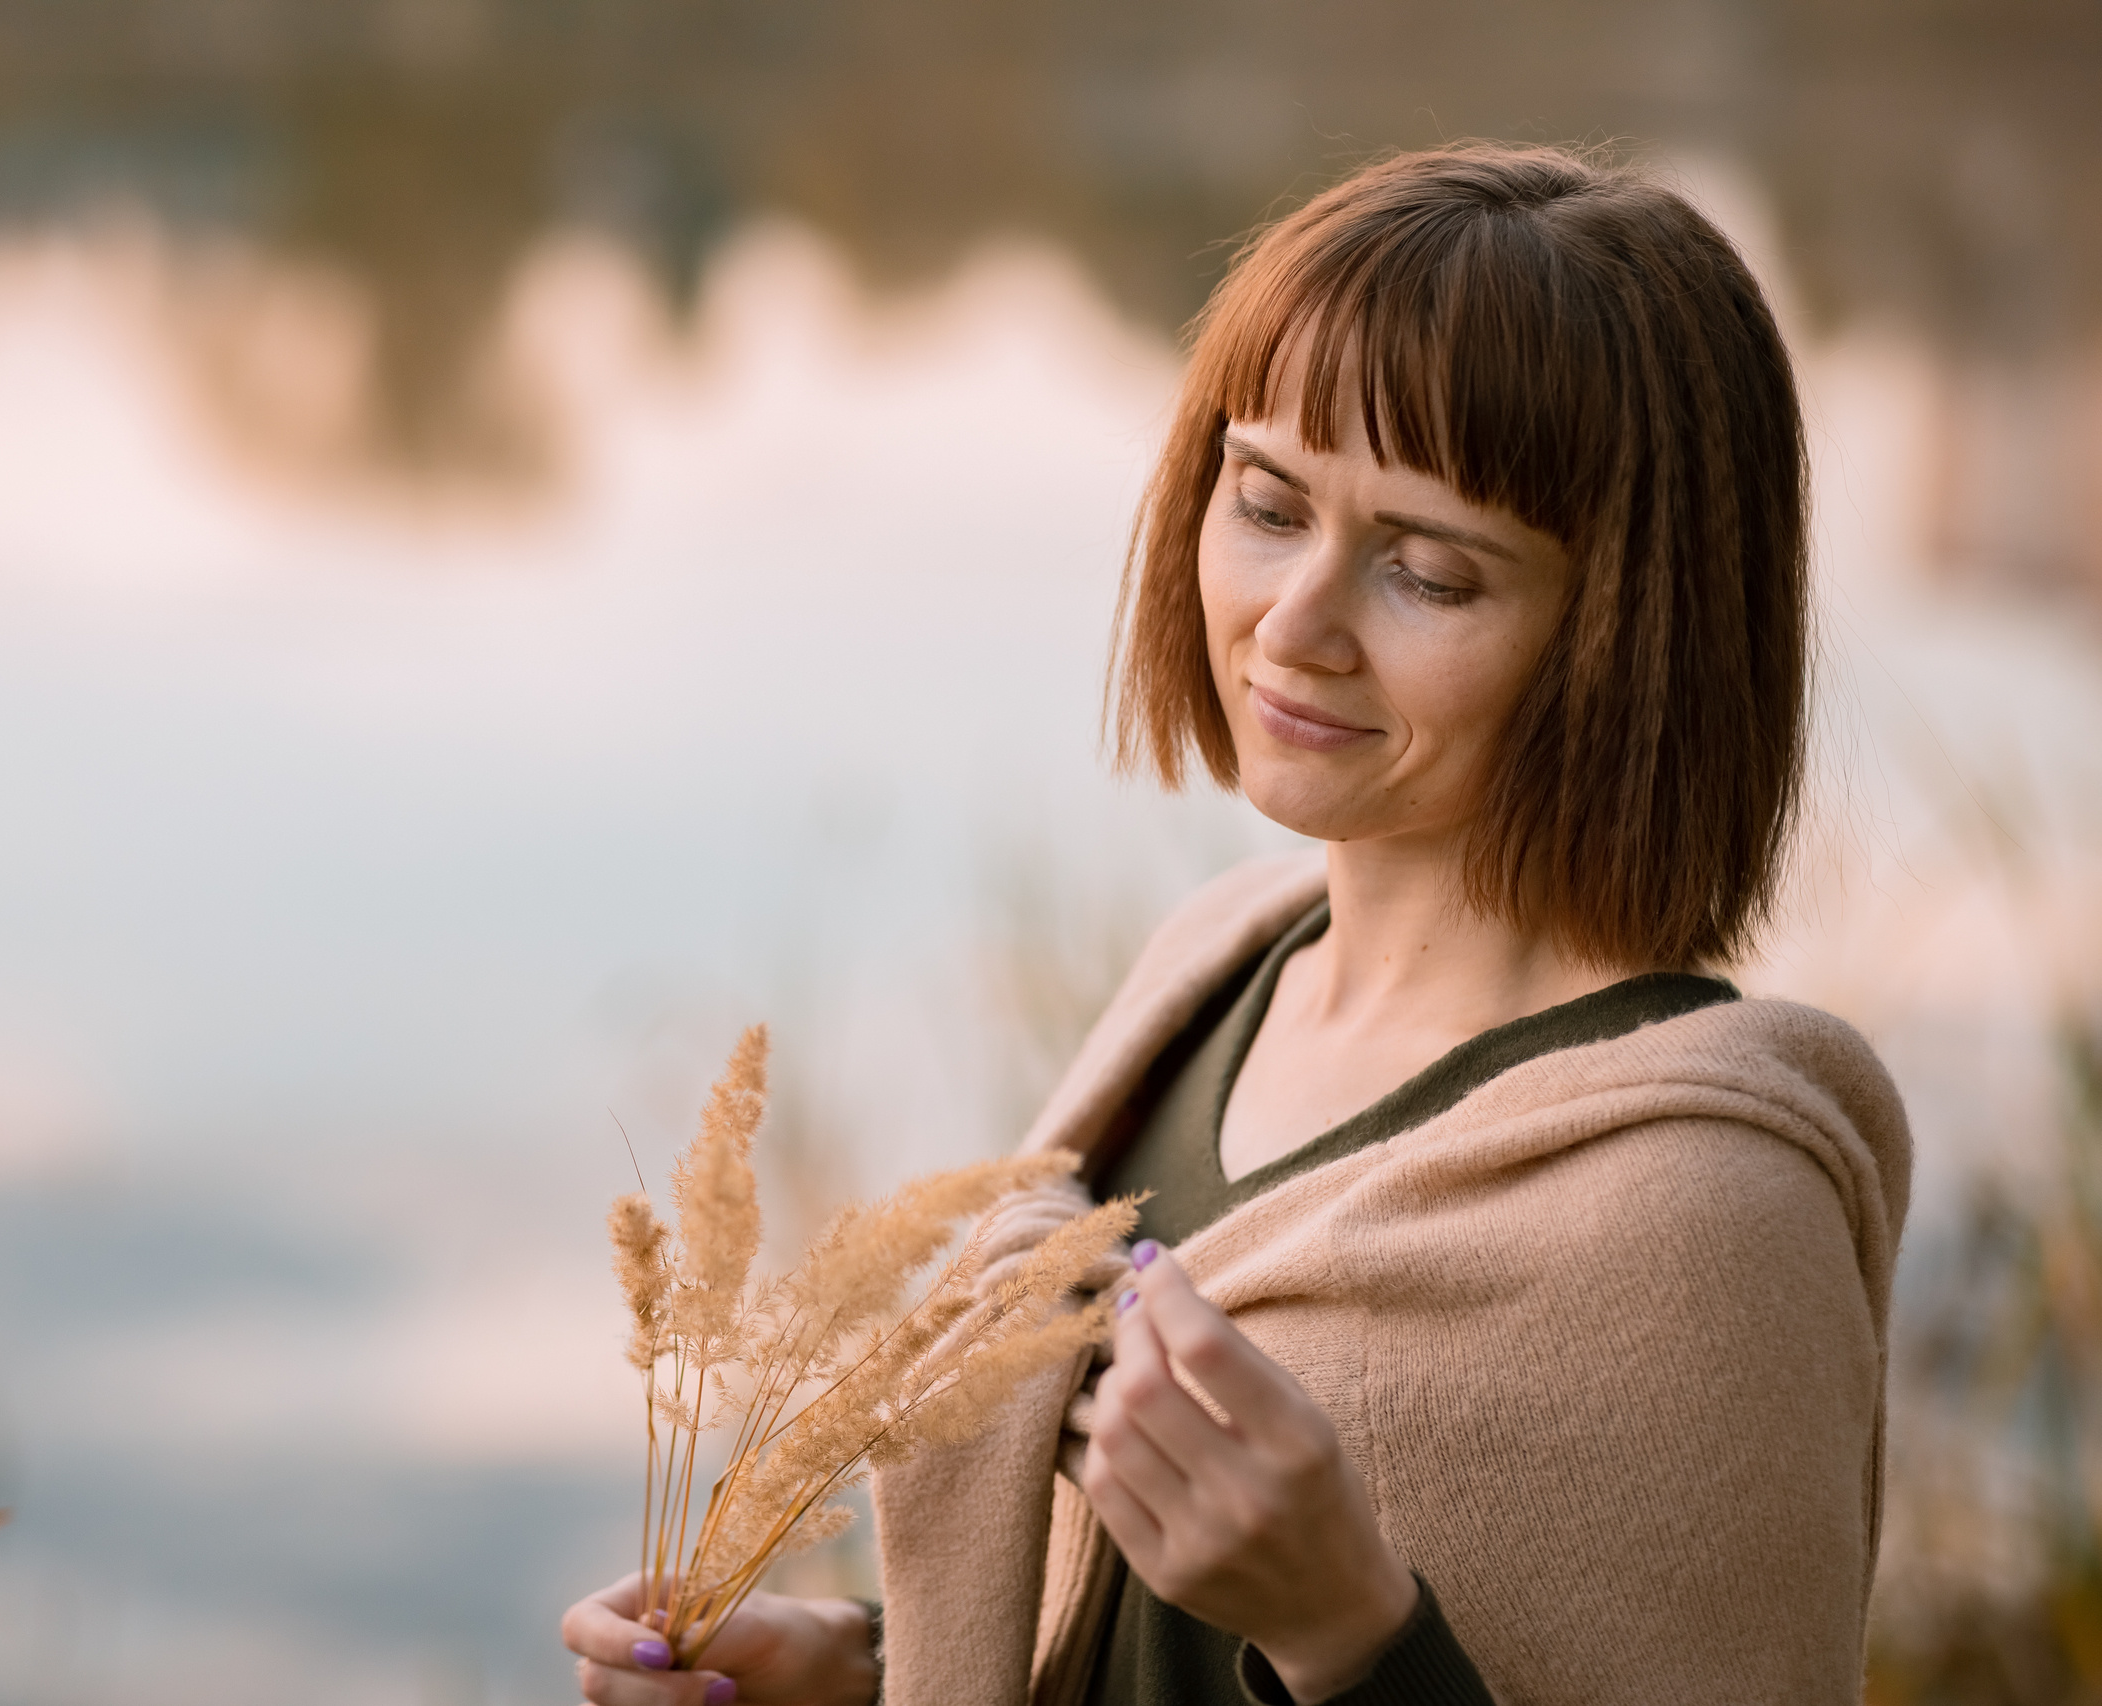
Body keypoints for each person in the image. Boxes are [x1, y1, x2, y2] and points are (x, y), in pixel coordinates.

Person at [562, 142, 1909, 1706]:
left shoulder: (1702, 1218)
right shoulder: (1217, 967)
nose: (1296, 619)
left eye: (1429, 573)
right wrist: (868, 1676)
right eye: (1268, 503)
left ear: (1625, 638)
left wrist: (1352, 1631)